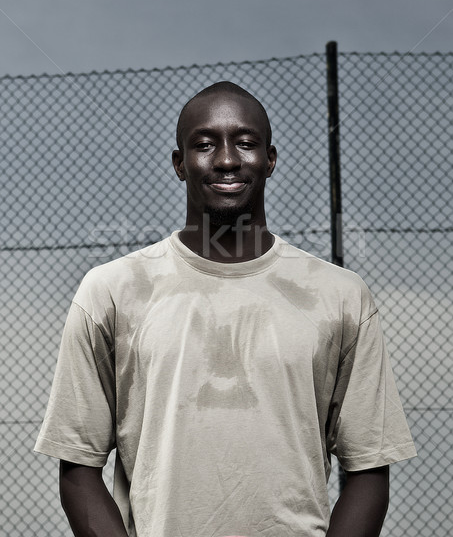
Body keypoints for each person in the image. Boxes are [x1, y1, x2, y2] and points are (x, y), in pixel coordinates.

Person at [35, 81, 416, 537]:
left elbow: (369, 467)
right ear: (179, 164)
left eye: (246, 143)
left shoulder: (340, 294)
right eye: (204, 144)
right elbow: (77, 466)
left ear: (270, 160)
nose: (227, 159)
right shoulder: (111, 290)